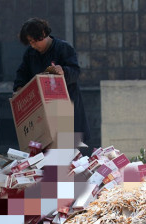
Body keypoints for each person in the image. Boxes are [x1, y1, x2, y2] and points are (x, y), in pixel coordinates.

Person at [13, 17, 91, 146]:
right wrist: (19, 88)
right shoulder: (30, 53)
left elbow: (75, 72)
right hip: (42, 113)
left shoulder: (63, 48)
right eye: (30, 42)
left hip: (66, 108)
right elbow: (22, 73)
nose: (33, 45)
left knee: (67, 155)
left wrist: (63, 71)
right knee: (45, 154)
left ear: (43, 34)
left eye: (34, 41)